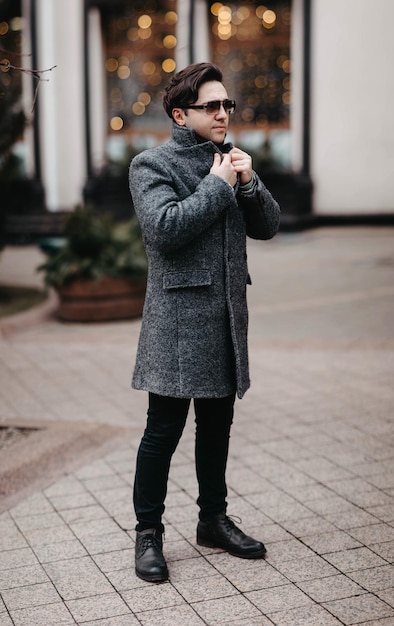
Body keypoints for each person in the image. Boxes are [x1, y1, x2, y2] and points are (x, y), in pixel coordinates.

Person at [128, 62, 280, 583]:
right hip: (175, 323)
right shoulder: (151, 164)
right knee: (162, 431)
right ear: (180, 113)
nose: (222, 113)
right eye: (210, 106)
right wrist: (218, 186)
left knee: (217, 427)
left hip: (224, 319)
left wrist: (249, 181)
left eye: (226, 105)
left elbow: (269, 226)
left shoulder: (229, 161)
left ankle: (213, 519)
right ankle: (148, 533)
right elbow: (165, 229)